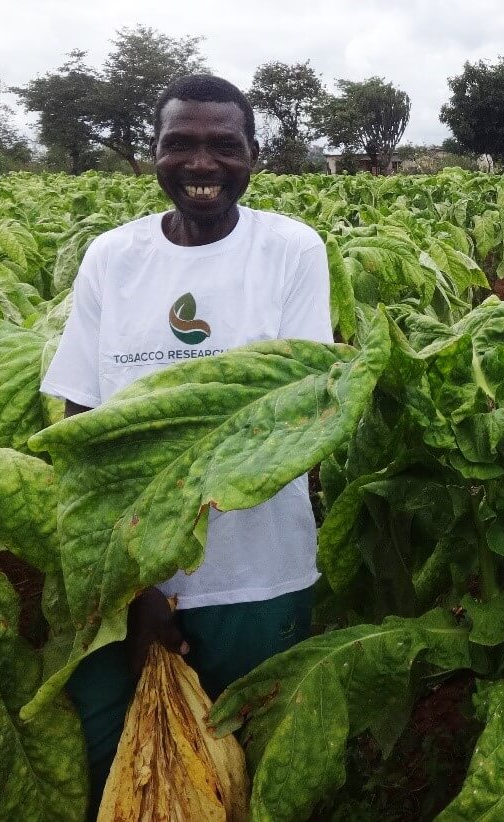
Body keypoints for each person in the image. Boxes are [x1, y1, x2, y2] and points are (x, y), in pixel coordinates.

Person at [39, 74, 333, 811]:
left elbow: (297, 421)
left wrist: (161, 563)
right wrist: (139, 588)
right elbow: (84, 427)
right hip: (119, 583)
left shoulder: (291, 251)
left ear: (253, 155)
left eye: (222, 145)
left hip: (256, 574)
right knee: (124, 770)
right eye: (181, 144)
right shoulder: (113, 257)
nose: (201, 164)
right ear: (154, 153)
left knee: (254, 775)